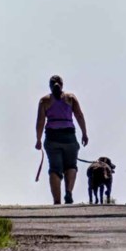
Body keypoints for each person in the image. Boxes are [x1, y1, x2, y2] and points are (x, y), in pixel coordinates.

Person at [35, 75, 89, 204]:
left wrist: (38, 139)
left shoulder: (44, 101)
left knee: (55, 168)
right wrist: (84, 133)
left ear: (50, 85)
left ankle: (57, 202)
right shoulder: (70, 98)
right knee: (71, 165)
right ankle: (69, 192)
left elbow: (40, 121)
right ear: (62, 85)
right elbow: (79, 115)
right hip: (69, 136)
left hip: (52, 137)